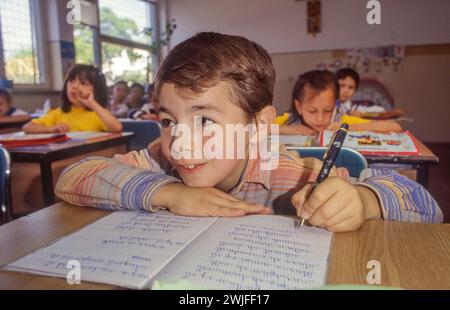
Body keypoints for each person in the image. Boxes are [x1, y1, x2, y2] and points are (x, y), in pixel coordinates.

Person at [55, 33, 441, 233]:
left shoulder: (287, 174)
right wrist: (169, 193)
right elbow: (72, 176)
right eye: (170, 121)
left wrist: (363, 201)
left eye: (205, 120)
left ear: (258, 126)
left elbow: (424, 206)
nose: (181, 142)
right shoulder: (159, 159)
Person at [275, 70, 402, 135]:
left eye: (328, 110)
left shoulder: (340, 120)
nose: (320, 118)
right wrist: (283, 129)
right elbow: (255, 129)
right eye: (312, 111)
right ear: (299, 107)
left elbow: (395, 127)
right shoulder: (289, 120)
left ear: (335, 105)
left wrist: (347, 128)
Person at [23, 64, 122, 134]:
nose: (74, 86)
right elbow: (27, 127)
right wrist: (51, 129)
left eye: (83, 83)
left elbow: (117, 128)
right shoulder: (58, 113)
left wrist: (92, 104)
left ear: (97, 89)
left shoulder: (98, 114)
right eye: (71, 81)